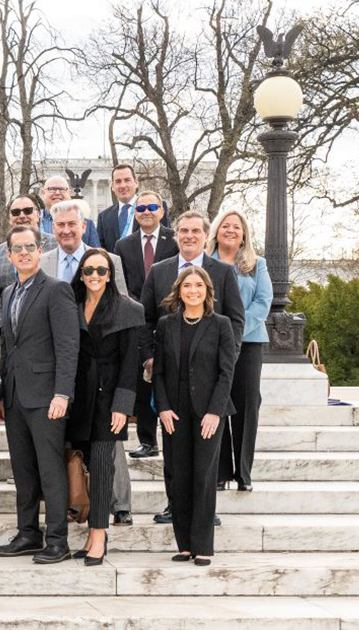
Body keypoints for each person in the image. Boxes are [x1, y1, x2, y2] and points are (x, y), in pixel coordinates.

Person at [140, 210, 244, 524]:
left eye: (195, 231)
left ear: (204, 235)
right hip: (169, 378)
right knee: (174, 450)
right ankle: (176, 506)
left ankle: (204, 510)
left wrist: (227, 357)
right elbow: (144, 321)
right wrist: (149, 357)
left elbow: (236, 320)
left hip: (209, 377)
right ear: (176, 235)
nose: (188, 236)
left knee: (206, 450)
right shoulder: (159, 272)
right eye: (183, 231)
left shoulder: (222, 273)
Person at [40, 200, 135, 524]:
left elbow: (121, 309)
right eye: (60, 225)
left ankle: (119, 504)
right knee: (71, 440)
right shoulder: (45, 262)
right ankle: (76, 500)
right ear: (53, 228)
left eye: (72, 224)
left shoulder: (109, 262)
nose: (66, 230)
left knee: (109, 441)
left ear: (83, 226)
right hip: (66, 368)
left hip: (104, 371)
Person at [0, 225, 79, 564]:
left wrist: (62, 394)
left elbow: (68, 347)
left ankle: (58, 540)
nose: (24, 253)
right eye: (18, 248)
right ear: (10, 255)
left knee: (50, 470)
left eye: (30, 247)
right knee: (23, 469)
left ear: (40, 252)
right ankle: (28, 532)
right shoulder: (11, 291)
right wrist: (1, 394)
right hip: (15, 397)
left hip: (46, 398)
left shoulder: (56, 290)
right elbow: (9, 348)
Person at [153, 266, 238, 566]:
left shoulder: (221, 325)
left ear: (207, 290)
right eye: (187, 285)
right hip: (174, 414)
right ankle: (185, 544)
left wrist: (215, 411)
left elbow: (226, 373)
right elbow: (159, 373)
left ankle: (203, 546)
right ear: (179, 291)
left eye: (198, 285)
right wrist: (162, 407)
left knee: (203, 477)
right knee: (179, 478)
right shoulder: (165, 325)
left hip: (208, 415)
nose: (193, 290)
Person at [68, 249, 144, 565]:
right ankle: (90, 532)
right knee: (83, 463)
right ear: (81, 274)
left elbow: (131, 362)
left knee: (101, 466)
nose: (95, 276)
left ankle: (99, 532)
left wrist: (122, 406)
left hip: (109, 397)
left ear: (110, 274)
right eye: (89, 270)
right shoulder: (71, 305)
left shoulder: (128, 309)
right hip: (77, 397)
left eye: (101, 270)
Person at [208, 209, 272, 492]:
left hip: (248, 345)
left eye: (236, 226)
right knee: (216, 403)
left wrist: (235, 333)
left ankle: (243, 473)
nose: (231, 230)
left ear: (243, 233)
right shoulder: (204, 264)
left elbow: (263, 302)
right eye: (225, 226)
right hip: (212, 345)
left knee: (246, 405)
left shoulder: (257, 264)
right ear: (217, 231)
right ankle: (220, 472)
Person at [117, 191, 178, 462]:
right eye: (141, 207)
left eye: (152, 206)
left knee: (170, 381)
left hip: (169, 317)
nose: (146, 211)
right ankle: (147, 440)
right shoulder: (124, 245)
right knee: (143, 382)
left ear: (162, 210)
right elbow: (123, 283)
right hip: (136, 321)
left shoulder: (175, 240)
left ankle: (173, 437)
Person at [0, 195, 59, 335]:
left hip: (47, 335)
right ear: (10, 218)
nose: (22, 216)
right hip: (9, 337)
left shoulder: (55, 244)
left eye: (27, 210)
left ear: (37, 215)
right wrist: (2, 327)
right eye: (16, 212)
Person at [38, 175, 99, 246]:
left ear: (69, 193)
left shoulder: (88, 225)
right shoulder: (34, 222)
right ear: (43, 193)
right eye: (52, 189)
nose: (57, 193)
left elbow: (96, 254)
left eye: (62, 189)